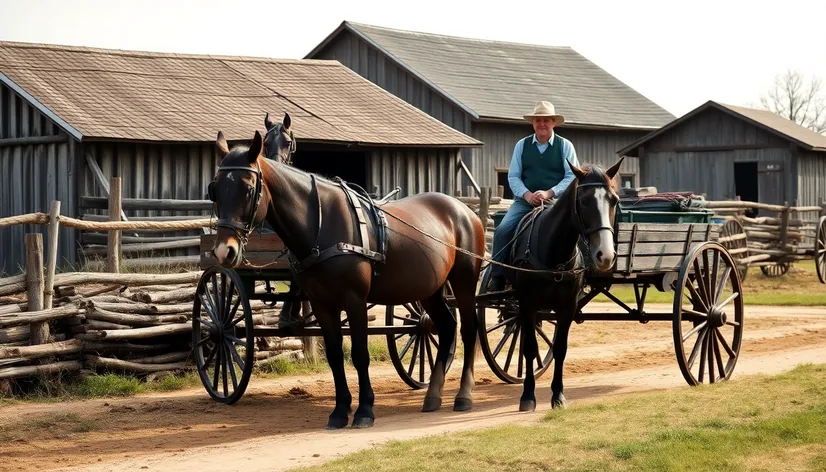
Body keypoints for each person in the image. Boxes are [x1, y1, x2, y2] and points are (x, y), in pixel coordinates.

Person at [486, 100, 580, 292]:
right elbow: (513, 176)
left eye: (546, 120)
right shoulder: (522, 145)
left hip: (555, 203)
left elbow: (572, 176)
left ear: (553, 122)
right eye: (538, 120)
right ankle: (497, 277)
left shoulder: (565, 146)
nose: (542, 124)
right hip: (524, 202)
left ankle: (581, 275)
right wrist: (527, 195)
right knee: (503, 230)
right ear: (533, 123)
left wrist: (550, 192)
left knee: (579, 229)